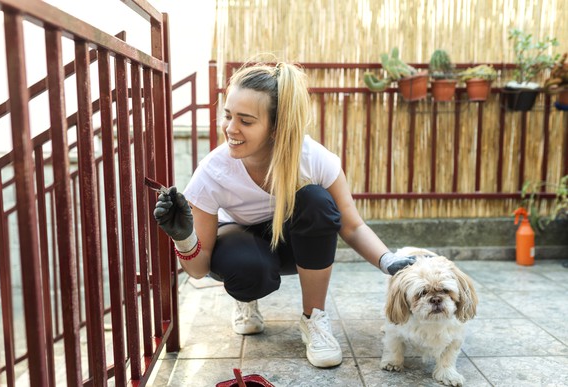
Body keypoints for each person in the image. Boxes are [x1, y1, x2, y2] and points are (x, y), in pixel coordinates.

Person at [153, 61, 415, 368]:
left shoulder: (312, 158)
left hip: (293, 246)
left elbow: (352, 226)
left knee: (316, 201)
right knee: (250, 271)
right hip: (240, 244)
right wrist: (184, 238)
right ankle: (246, 300)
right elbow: (199, 270)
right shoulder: (213, 171)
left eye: (246, 121)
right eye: (228, 115)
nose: (230, 129)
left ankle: (314, 318)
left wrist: (388, 260)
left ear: (276, 127)